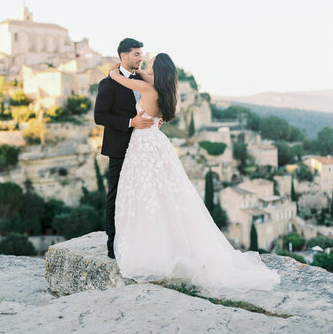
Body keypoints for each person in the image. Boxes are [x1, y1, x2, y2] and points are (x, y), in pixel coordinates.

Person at [108, 52, 281, 295]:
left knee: (144, 196)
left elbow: (118, 78)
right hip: (157, 143)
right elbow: (145, 77)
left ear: (158, 70)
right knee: (162, 196)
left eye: (151, 65)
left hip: (143, 147)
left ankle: (150, 250)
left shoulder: (147, 91)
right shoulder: (166, 93)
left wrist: (118, 67)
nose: (147, 67)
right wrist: (139, 70)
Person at [94, 38, 163, 259]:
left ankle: (138, 239)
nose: (140, 58)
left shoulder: (145, 81)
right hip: (120, 147)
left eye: (141, 54)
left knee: (141, 193)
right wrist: (129, 123)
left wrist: (154, 121)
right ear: (123, 56)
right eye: (136, 54)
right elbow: (99, 116)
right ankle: (112, 243)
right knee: (116, 193)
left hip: (143, 147)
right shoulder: (109, 83)